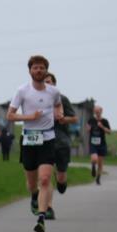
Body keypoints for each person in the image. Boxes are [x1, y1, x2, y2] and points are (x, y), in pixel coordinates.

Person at [7, 55, 62, 232]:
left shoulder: (53, 92)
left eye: (42, 68)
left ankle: (41, 217)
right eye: (35, 68)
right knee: (32, 183)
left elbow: (59, 106)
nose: (39, 70)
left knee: (45, 179)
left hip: (47, 138)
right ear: (30, 70)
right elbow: (10, 115)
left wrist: (58, 113)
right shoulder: (22, 91)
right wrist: (29, 118)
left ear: (46, 70)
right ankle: (33, 195)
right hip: (29, 139)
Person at [44, 72, 77, 219]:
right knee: (45, 177)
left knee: (61, 177)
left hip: (61, 142)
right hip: (44, 142)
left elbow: (75, 118)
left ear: (54, 84)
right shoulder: (36, 100)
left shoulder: (62, 99)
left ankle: (61, 180)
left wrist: (63, 119)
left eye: (49, 81)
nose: (47, 84)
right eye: (44, 82)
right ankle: (49, 208)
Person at [87, 105, 111, 185]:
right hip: (93, 143)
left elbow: (109, 132)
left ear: (101, 111)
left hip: (102, 144)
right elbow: (87, 129)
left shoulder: (105, 121)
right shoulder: (91, 120)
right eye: (95, 112)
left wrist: (102, 127)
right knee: (94, 159)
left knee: (100, 163)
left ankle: (98, 178)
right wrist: (88, 129)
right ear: (94, 112)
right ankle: (93, 166)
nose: (97, 113)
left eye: (98, 112)